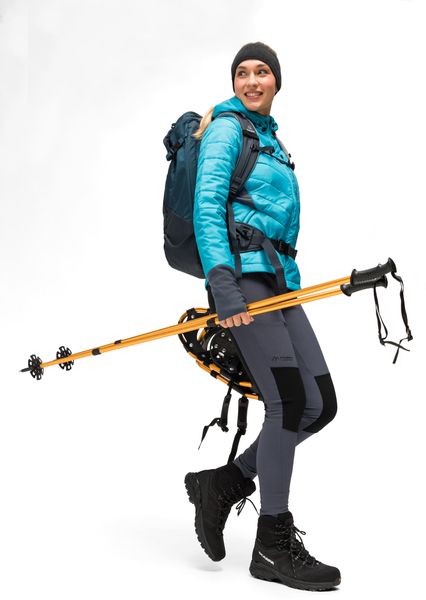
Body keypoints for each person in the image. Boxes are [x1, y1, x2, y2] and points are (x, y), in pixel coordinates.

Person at [184, 42, 341, 591]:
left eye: (262, 72)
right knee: (287, 402)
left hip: (280, 281)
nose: (252, 81)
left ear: (277, 81)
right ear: (234, 83)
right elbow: (207, 205)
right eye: (242, 73)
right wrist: (223, 284)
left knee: (319, 405)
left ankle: (224, 483)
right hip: (244, 277)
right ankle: (272, 544)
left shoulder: (270, 139)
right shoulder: (227, 129)